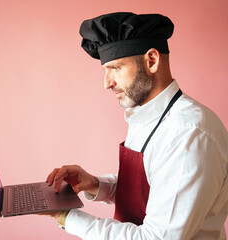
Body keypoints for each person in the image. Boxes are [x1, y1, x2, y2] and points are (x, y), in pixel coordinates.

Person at [42, 12, 228, 239]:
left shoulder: (188, 133)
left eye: (116, 68)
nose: (107, 84)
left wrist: (66, 217)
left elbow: (158, 238)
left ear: (152, 61)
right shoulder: (145, 115)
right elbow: (153, 188)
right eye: (105, 70)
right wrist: (94, 184)